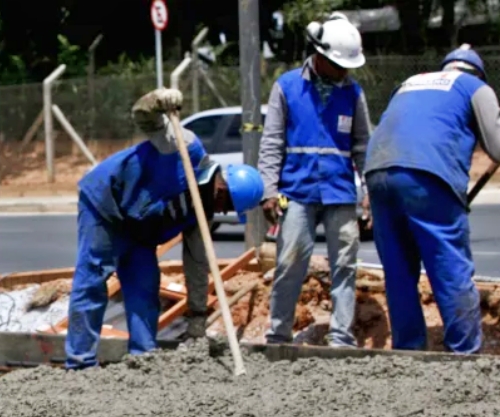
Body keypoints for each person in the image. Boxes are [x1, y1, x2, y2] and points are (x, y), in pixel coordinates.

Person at [64, 88, 264, 370]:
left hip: (140, 229)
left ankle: (143, 358)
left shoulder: (202, 212)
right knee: (93, 279)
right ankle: (80, 363)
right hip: (107, 204)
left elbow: (196, 263)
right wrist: (156, 101)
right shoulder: (185, 146)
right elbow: (144, 117)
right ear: (222, 187)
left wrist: (196, 316)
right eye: (224, 202)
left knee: (145, 285)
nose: (221, 210)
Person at [364, 46, 500, 354]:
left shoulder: (410, 82)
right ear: (477, 72)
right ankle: (463, 352)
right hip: (426, 174)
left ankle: (408, 351)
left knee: (399, 271)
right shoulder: (475, 87)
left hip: (378, 172)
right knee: (450, 266)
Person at [258, 12, 371, 348]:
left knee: (345, 266)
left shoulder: (353, 92)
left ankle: (341, 336)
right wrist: (268, 189)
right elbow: (272, 142)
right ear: (320, 56)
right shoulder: (288, 86)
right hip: (298, 191)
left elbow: (363, 146)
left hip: (339, 192)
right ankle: (278, 335)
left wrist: (368, 191)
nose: (344, 71)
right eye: (339, 64)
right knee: (289, 264)